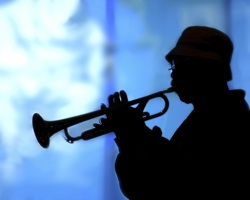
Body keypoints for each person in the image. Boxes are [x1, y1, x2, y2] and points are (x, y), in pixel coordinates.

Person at [95, 26, 250, 199]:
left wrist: (137, 135)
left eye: (180, 66)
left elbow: (178, 182)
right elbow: (138, 187)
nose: (173, 76)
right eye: (172, 67)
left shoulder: (228, 120)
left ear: (206, 69)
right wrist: (129, 139)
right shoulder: (205, 115)